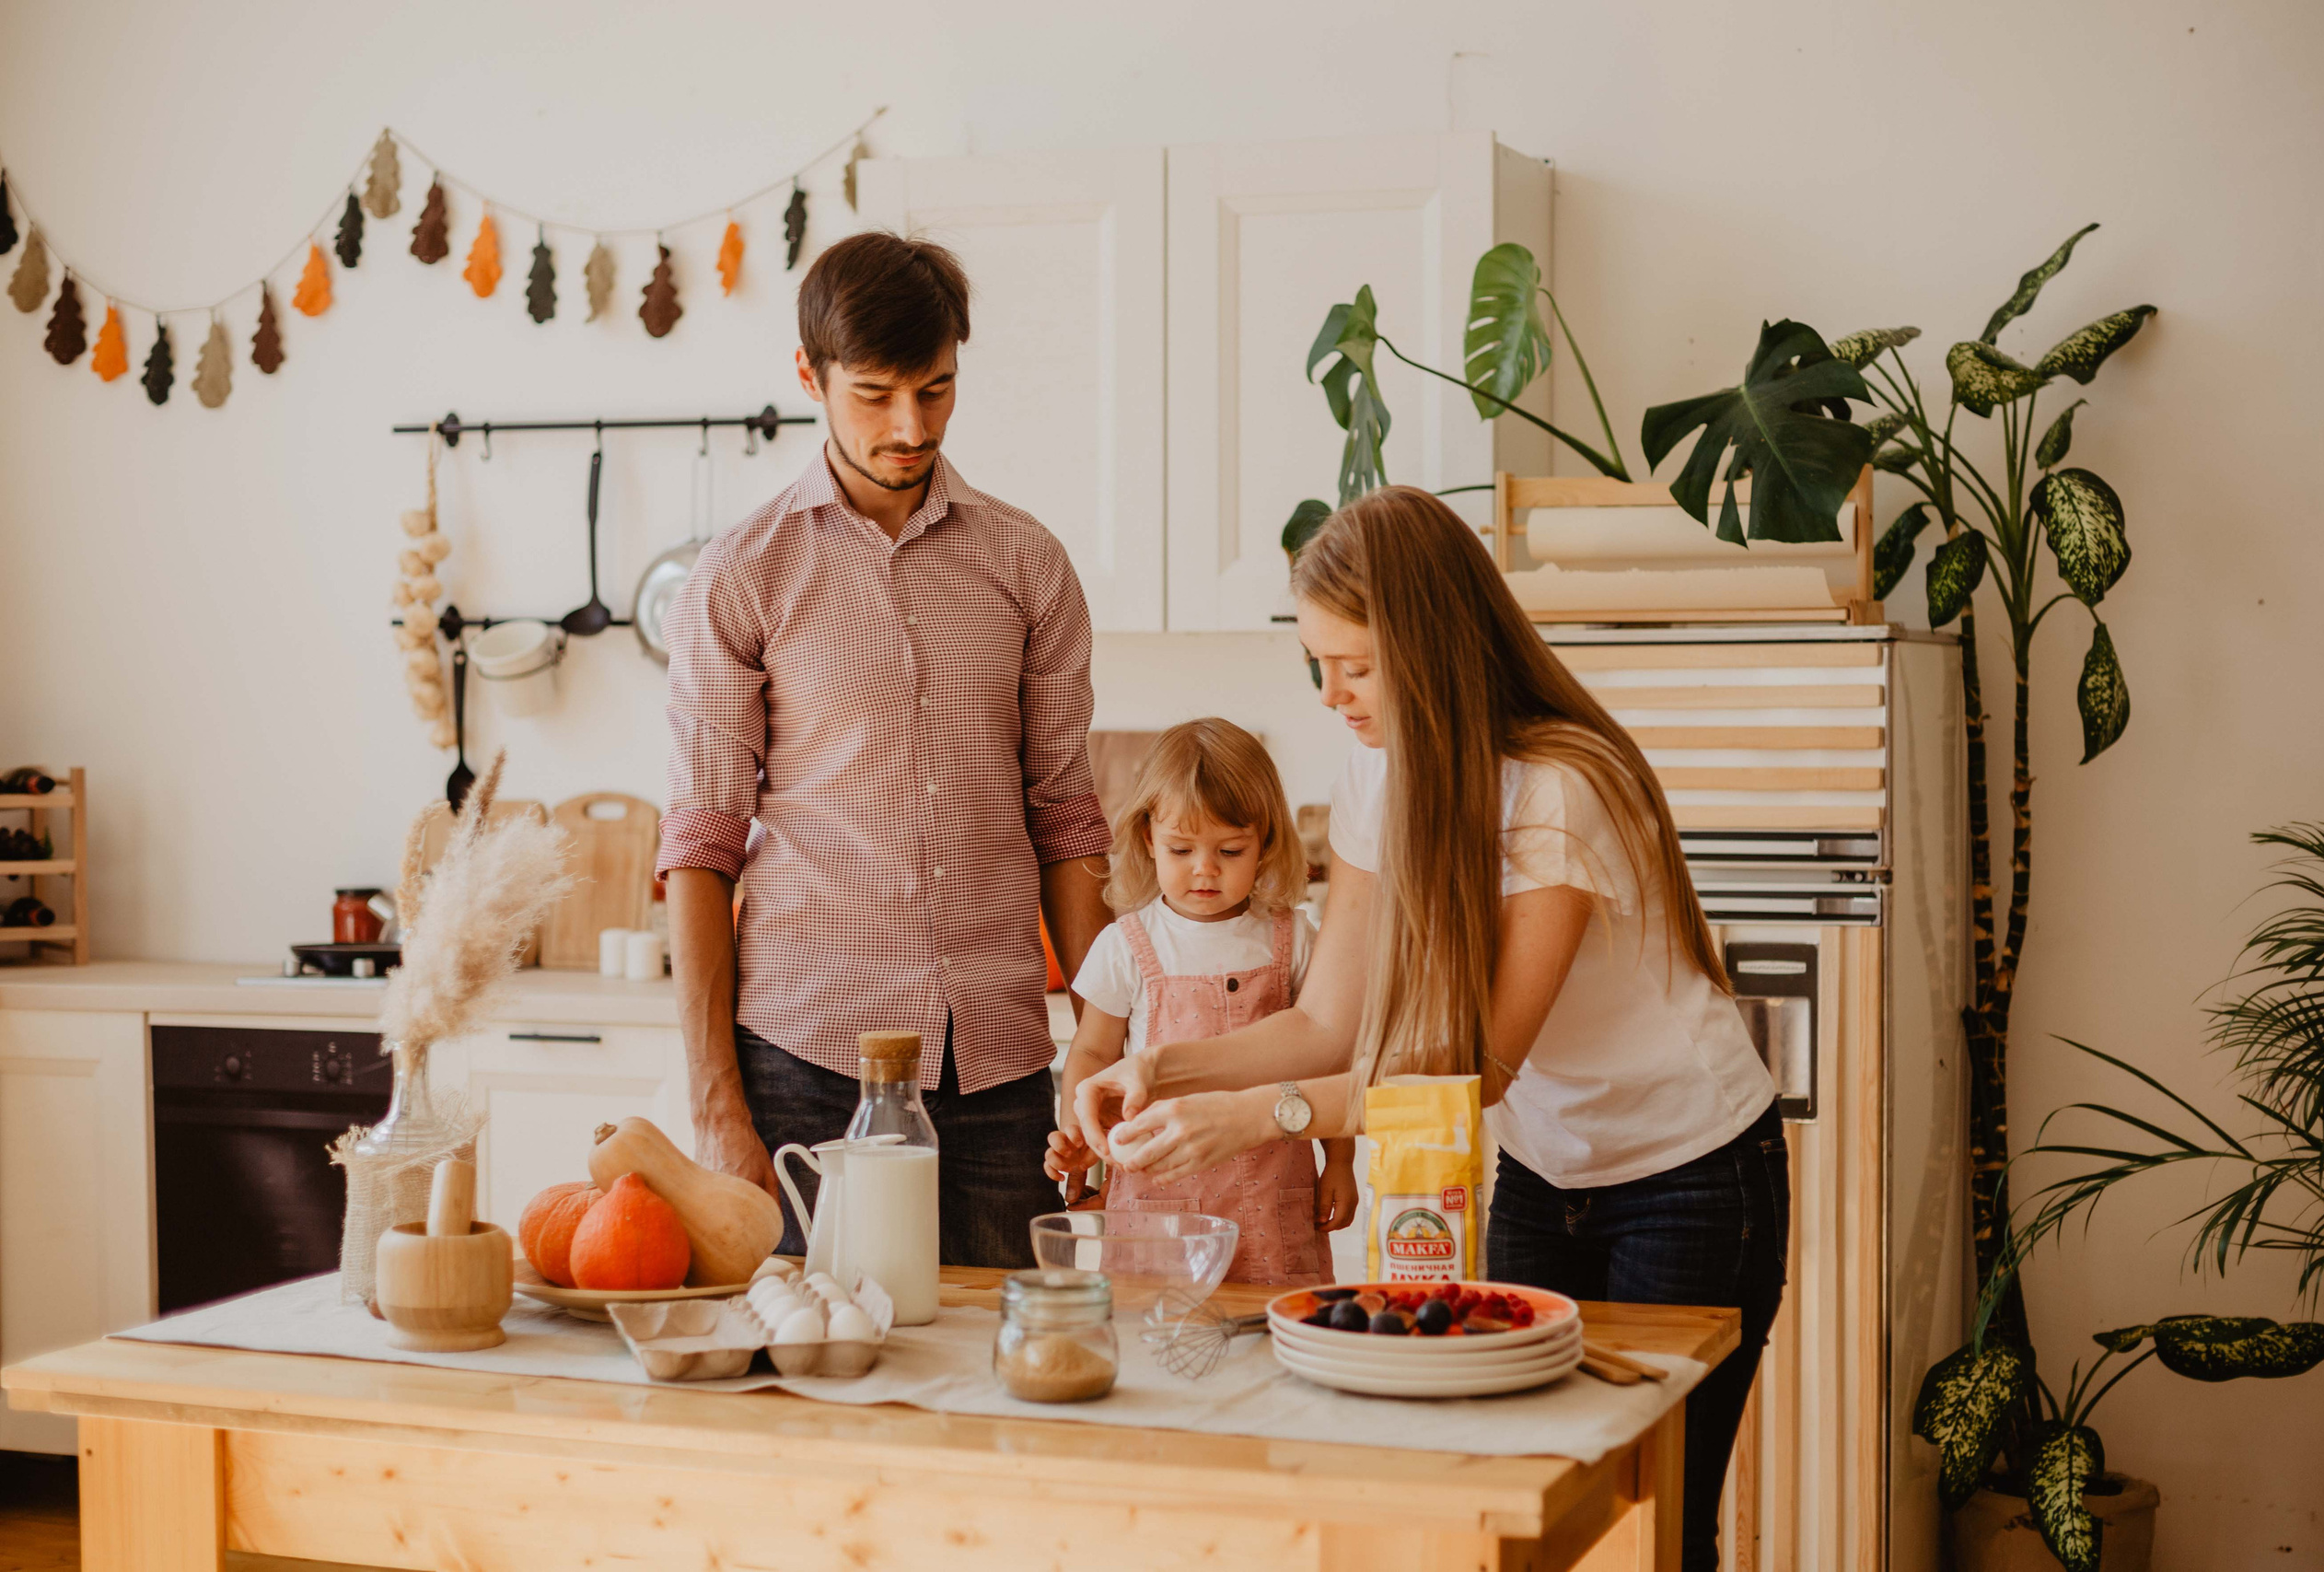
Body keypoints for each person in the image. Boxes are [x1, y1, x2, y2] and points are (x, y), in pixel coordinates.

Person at [1070, 487, 1785, 1571]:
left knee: (1652, 1533)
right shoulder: (1376, 768)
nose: (1331, 696)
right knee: (1525, 1513)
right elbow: (1330, 1019)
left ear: (1430, 643)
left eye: (1353, 666)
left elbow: (1477, 1070)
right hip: (1547, 1181)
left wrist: (1251, 1118)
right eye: (1317, 664)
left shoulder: (1557, 788)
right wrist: (1156, 1069)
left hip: (1690, 1183)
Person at [659, 231, 1114, 1271]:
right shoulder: (743, 576)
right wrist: (715, 1105)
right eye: (873, 395)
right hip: (802, 1059)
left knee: (1003, 1374)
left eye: (936, 391)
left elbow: (1065, 818)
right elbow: (700, 843)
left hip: (1000, 1066)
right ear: (808, 378)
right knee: (812, 1376)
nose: (910, 427)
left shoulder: (1026, 565)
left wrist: (1105, 1051)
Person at [1044, 719, 1355, 1284]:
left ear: (1264, 844)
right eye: (1181, 849)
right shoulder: (1126, 945)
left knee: (1270, 1338)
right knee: (1158, 1336)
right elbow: (1090, 1056)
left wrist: (1339, 1161)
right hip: (1157, 1205)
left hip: (1272, 1199)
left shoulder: (1295, 939)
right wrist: (1079, 1139)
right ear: (1147, 840)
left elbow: (1328, 1061)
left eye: (1229, 849)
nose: (1205, 868)